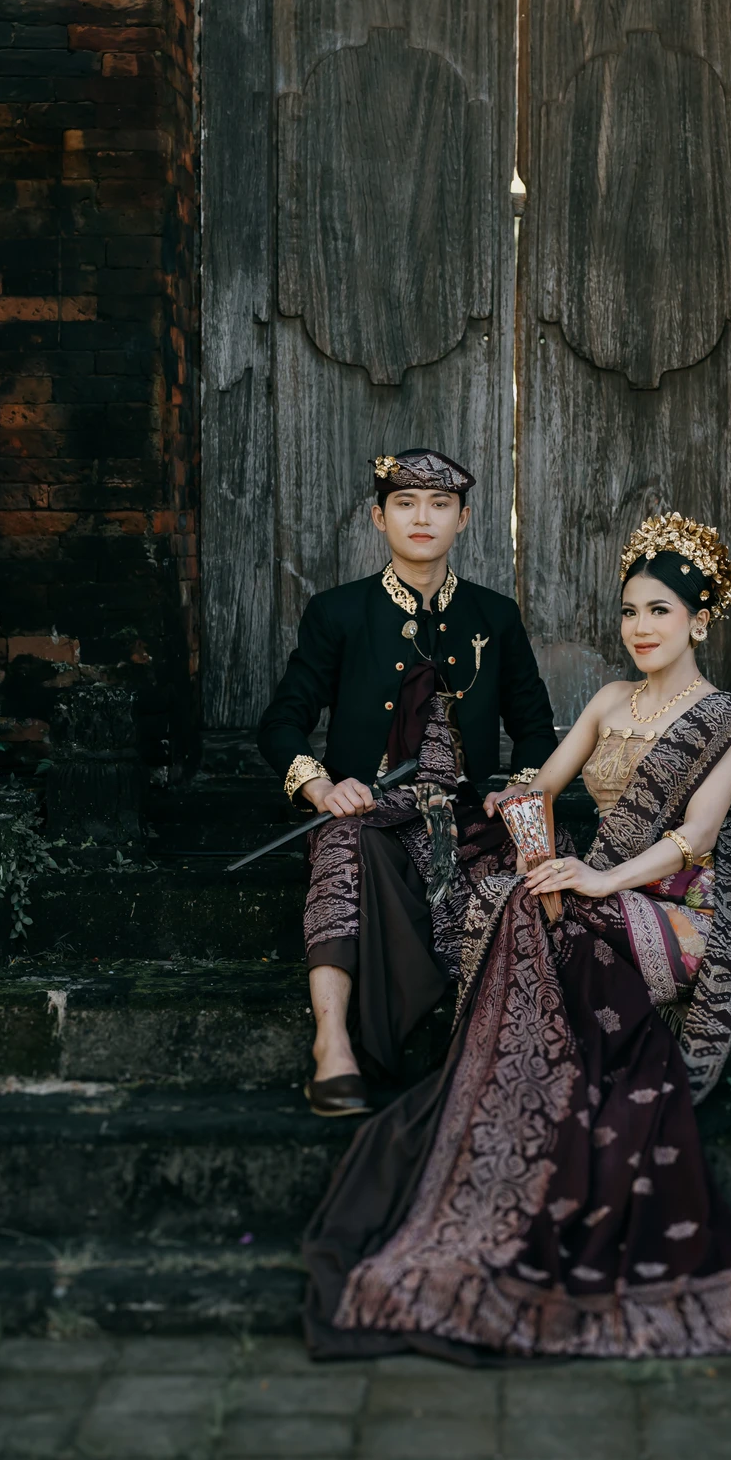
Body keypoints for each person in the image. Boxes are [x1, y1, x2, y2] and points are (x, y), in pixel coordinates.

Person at [302, 511, 731, 1360]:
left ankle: (516, 1078)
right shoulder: (609, 701)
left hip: (676, 912)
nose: (639, 627)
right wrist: (518, 825)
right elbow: (536, 786)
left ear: (699, 622)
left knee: (554, 917)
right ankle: (518, 1087)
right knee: (514, 895)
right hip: (598, 893)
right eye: (629, 611)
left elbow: (696, 839)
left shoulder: (728, 719)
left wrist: (597, 879)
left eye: (659, 611)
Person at [258, 449, 557, 1116]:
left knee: (530, 874)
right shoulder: (338, 612)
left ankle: (500, 1052)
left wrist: (517, 785)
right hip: (366, 809)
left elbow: (536, 728)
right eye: (405, 503)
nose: (422, 517)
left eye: (440, 504)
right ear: (378, 517)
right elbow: (281, 723)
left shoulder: (494, 616)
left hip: (466, 812)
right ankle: (332, 1044)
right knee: (341, 849)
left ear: (463, 519)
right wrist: (321, 788)